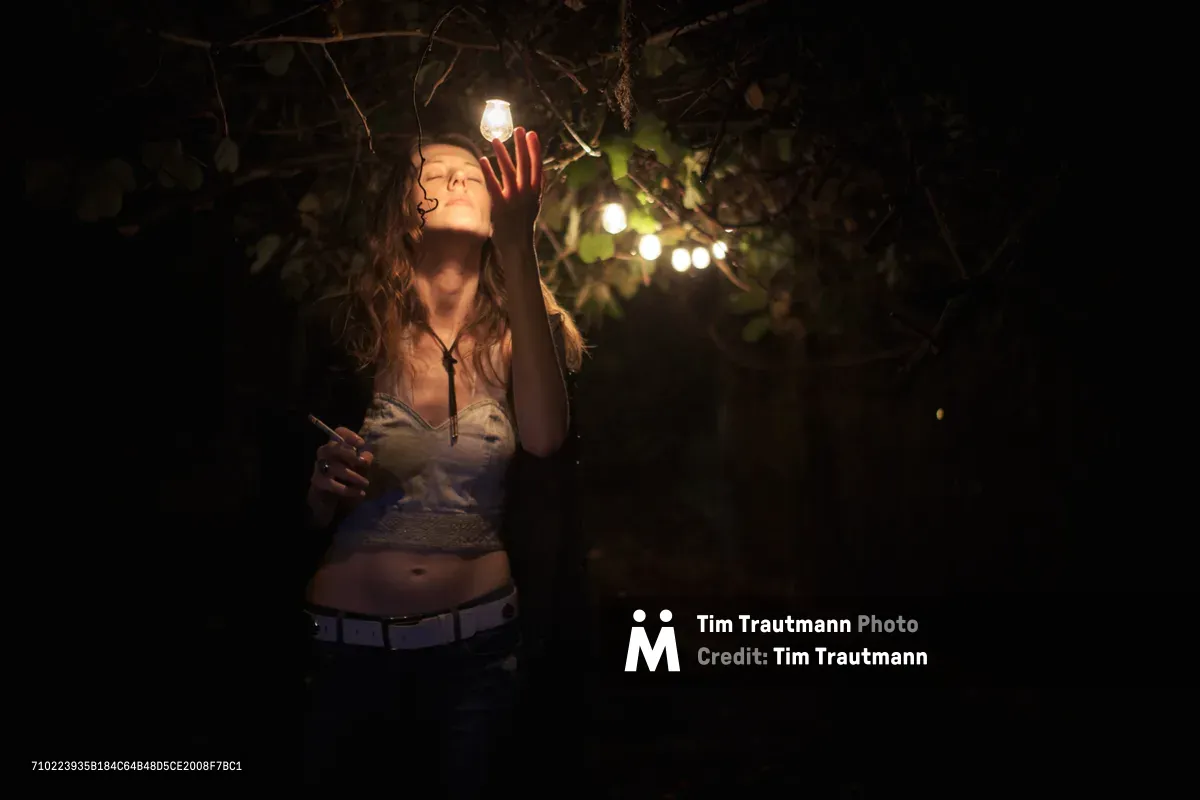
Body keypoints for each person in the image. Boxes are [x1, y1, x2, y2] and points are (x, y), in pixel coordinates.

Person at [299, 127, 586, 793]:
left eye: (474, 175)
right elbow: (282, 509)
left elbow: (546, 440)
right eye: (436, 173)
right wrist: (318, 490)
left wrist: (518, 241)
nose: (460, 180)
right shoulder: (345, 334)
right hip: (343, 652)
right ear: (405, 208)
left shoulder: (525, 341)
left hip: (479, 656)